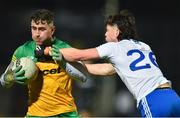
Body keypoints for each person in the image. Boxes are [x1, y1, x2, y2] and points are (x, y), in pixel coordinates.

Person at [50, 9, 180, 117]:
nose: (105, 35)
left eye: (108, 30)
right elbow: (107, 69)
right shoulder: (144, 46)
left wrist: (48, 51)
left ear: (117, 32)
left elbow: (79, 54)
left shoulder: (114, 47)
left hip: (153, 100)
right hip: (172, 96)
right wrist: (82, 67)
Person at [0, 9, 89, 117]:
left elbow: (83, 78)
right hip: (35, 114)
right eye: (34, 28)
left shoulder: (64, 49)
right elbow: (3, 81)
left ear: (52, 30)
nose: (37, 34)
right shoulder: (23, 51)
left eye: (41, 29)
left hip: (65, 113)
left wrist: (63, 64)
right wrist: (8, 78)